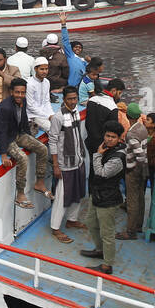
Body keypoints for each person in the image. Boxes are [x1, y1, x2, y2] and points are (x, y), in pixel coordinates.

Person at [0, 79, 48, 210]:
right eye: (17, 92)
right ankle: (20, 193)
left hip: (17, 133)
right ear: (11, 92)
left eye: (23, 93)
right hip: (5, 138)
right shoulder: (4, 107)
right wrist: (4, 154)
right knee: (22, 158)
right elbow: (2, 131)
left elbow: (23, 120)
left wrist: (29, 136)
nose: (20, 95)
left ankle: (39, 182)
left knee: (43, 149)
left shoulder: (23, 102)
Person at [80, 121, 126, 275]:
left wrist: (97, 155)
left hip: (108, 198)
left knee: (107, 232)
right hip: (97, 194)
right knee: (91, 222)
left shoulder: (118, 157)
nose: (109, 139)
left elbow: (102, 173)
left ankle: (107, 265)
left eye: (113, 137)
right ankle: (100, 250)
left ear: (120, 138)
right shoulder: (106, 148)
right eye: (107, 136)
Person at [47, 87, 89, 243]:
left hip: (78, 160)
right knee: (62, 197)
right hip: (66, 163)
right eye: (70, 99)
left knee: (78, 192)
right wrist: (56, 165)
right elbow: (53, 141)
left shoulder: (76, 111)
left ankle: (72, 220)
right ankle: (55, 228)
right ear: (64, 99)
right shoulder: (58, 117)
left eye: (75, 98)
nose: (73, 101)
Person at [119, 103, 149, 240]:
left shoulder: (131, 134)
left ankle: (130, 232)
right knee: (140, 198)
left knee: (132, 201)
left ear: (127, 115)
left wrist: (134, 170)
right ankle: (138, 225)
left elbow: (140, 155)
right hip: (144, 169)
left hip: (134, 170)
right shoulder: (142, 127)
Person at [85, 78, 125, 152]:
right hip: (103, 146)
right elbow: (113, 130)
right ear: (113, 90)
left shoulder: (92, 100)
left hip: (89, 143)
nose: (119, 97)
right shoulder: (112, 107)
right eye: (119, 93)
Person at [25, 57, 54, 131]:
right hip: (33, 115)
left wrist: (52, 114)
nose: (44, 71)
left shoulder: (47, 82)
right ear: (35, 69)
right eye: (42, 69)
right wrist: (48, 116)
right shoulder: (29, 84)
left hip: (44, 113)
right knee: (52, 127)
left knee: (60, 122)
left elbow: (47, 101)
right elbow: (30, 106)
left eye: (46, 69)